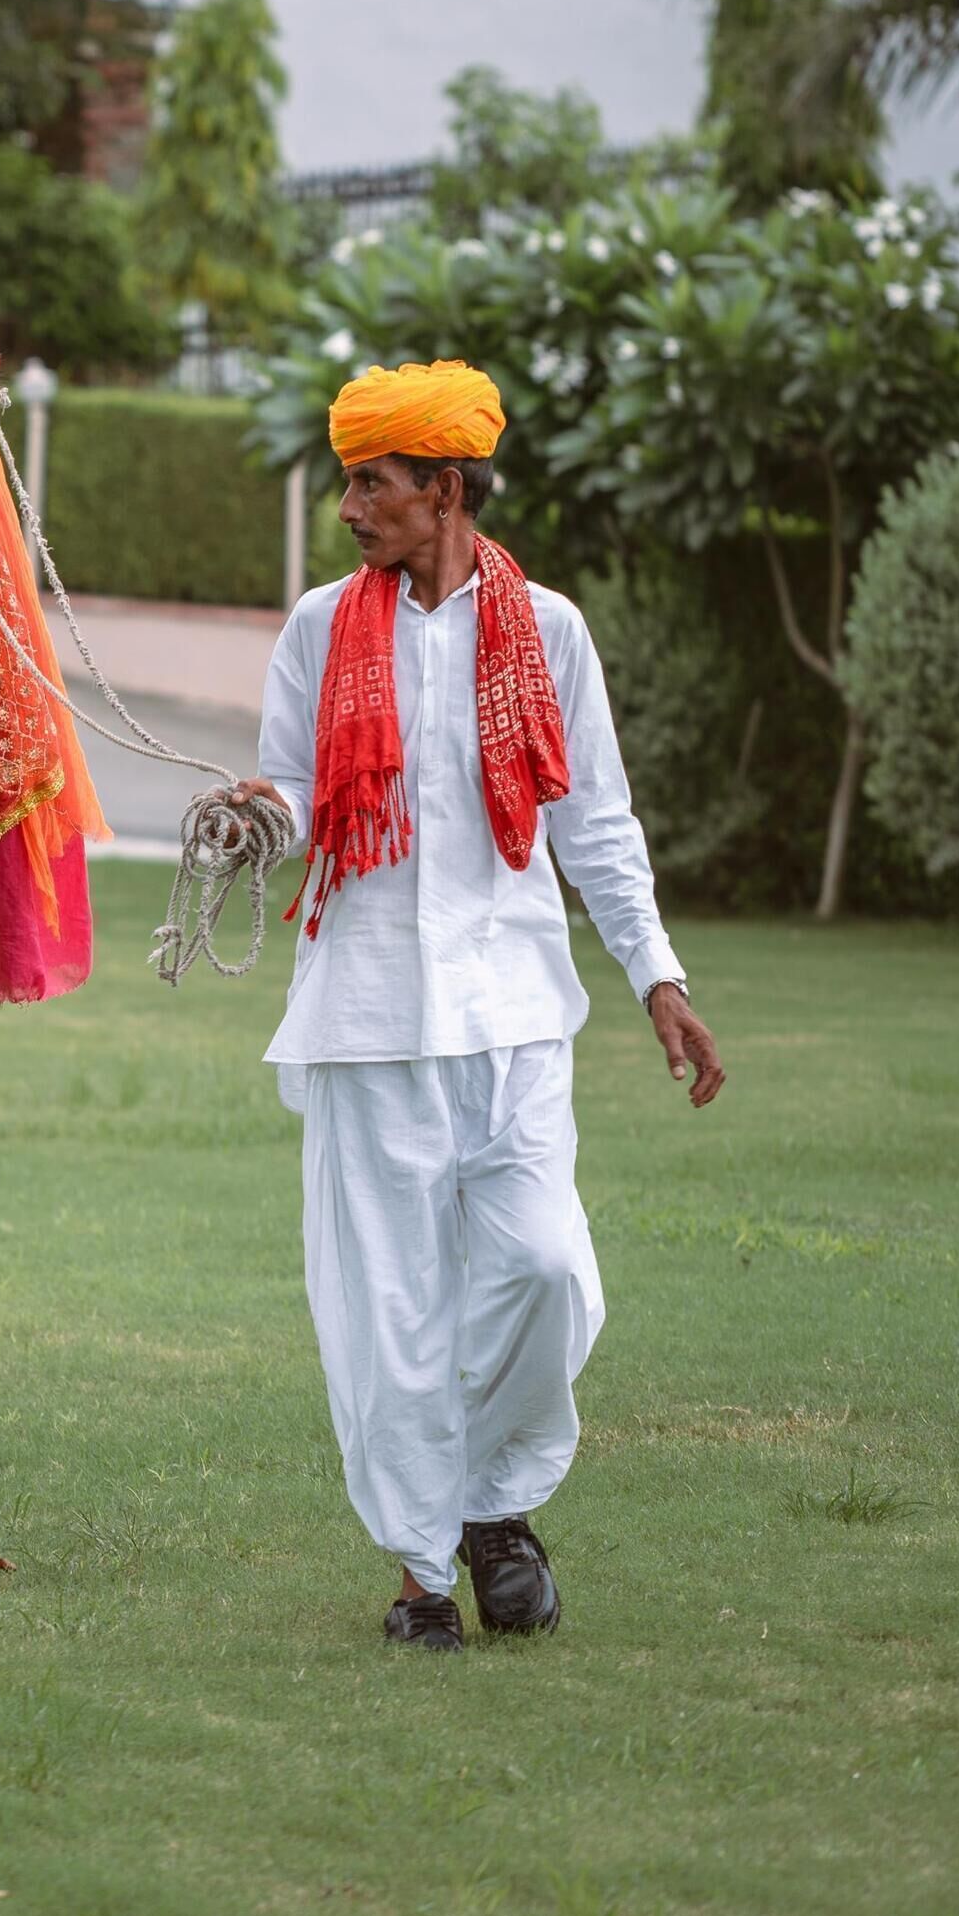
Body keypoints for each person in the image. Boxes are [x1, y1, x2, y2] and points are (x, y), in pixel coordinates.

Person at [223, 359, 724, 1651]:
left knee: (547, 1271)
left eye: (372, 483)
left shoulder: (549, 630)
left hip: (516, 1015)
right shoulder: (319, 628)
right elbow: (294, 791)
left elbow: (595, 823)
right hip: (369, 1019)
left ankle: (495, 1507)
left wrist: (658, 978)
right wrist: (256, 820)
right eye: (349, 483)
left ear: (445, 490)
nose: (350, 508)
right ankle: (422, 1574)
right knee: (390, 1313)